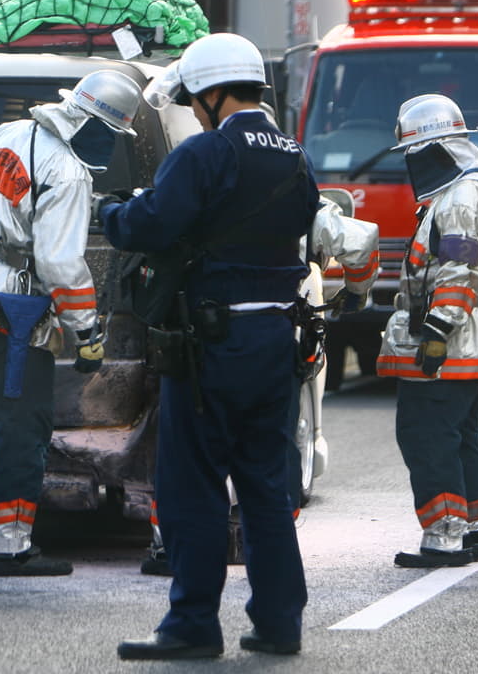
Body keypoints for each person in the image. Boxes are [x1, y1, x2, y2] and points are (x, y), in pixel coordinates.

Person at [100, 33, 319, 659]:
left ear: (211, 94)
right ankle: (279, 624)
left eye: (197, 101)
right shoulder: (295, 158)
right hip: (276, 339)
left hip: (210, 345)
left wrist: (114, 211)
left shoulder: (205, 153)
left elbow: (151, 224)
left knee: (193, 486)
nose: (197, 111)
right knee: (265, 488)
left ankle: (193, 627)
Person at [0, 69, 143, 576]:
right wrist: (87, 332)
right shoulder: (68, 171)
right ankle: (10, 547)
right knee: (22, 428)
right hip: (14, 313)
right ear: (96, 124)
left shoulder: (5, 136)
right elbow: (60, 264)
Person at [138, 193, 380, 577]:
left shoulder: (195, 191)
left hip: (198, 336)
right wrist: (355, 293)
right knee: (271, 444)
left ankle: (172, 546)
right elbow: (361, 243)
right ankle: (266, 546)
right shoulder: (298, 201)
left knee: (190, 444)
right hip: (272, 339)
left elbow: (138, 230)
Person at [376, 94, 478, 568]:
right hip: (463, 338)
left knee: (427, 436)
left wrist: (435, 330)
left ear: (438, 149)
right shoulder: (463, 193)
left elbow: (457, 268)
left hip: (446, 338)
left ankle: (444, 535)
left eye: (416, 152)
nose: (413, 163)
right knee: (457, 436)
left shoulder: (461, 198)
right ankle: (467, 529)